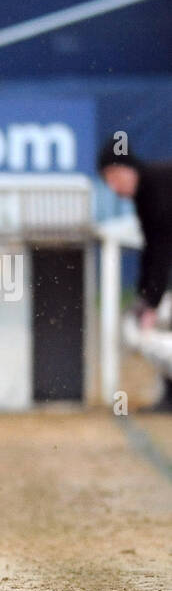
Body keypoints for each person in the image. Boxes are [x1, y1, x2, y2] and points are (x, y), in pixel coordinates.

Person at [99, 146, 172, 411]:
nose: (112, 186)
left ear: (128, 169)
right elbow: (152, 247)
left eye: (113, 176)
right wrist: (147, 296)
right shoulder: (147, 193)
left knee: (151, 329)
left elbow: (162, 246)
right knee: (151, 329)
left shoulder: (157, 186)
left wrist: (151, 302)